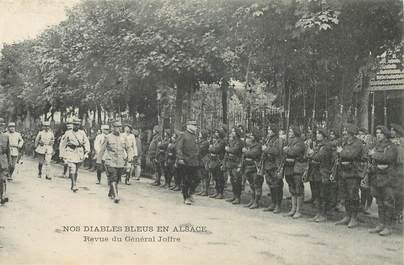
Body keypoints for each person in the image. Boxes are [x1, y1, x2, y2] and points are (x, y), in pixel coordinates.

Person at [368, 125, 398, 236]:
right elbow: (370, 158)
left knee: (388, 202)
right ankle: (381, 224)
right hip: (376, 177)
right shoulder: (376, 145)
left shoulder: (391, 146)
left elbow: (388, 158)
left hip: (387, 178)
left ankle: (388, 226)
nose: (378, 135)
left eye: (380, 133)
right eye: (377, 133)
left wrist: (374, 155)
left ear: (385, 134)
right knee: (380, 202)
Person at [335, 123, 363, 228]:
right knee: (345, 195)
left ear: (351, 133)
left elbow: (351, 155)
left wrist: (341, 151)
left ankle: (354, 218)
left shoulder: (358, 143)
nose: (344, 133)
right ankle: (347, 215)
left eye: (345, 132)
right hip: (344, 172)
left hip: (353, 173)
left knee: (353, 196)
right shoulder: (345, 142)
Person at [98, 121, 129, 203]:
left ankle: (111, 192)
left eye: (119, 127)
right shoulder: (108, 137)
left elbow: (128, 148)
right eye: (116, 127)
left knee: (118, 178)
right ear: (112, 128)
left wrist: (129, 160)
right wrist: (99, 160)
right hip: (110, 160)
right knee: (113, 177)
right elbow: (102, 149)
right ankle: (116, 195)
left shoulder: (124, 137)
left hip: (120, 162)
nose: (118, 129)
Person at [307, 128, 334, 222]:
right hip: (315, 172)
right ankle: (318, 213)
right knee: (316, 194)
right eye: (317, 133)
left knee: (323, 195)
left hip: (323, 172)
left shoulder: (326, 146)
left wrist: (311, 154)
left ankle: (323, 214)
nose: (317, 135)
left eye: (319, 134)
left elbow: (319, 157)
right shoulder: (318, 145)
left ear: (324, 135)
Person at [59, 118, 90, 192]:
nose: (76, 126)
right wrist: (62, 154)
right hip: (70, 151)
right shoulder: (68, 133)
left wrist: (87, 151)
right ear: (72, 125)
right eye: (75, 124)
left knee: (76, 170)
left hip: (79, 152)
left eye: (78, 125)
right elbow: (63, 144)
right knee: (72, 168)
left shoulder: (82, 133)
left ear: (79, 125)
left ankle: (73, 183)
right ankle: (74, 184)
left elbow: (86, 142)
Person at [283, 126, 306, 219]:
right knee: (292, 188)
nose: (289, 132)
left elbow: (294, 152)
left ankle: (298, 210)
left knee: (298, 188)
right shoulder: (289, 141)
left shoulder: (300, 142)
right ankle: (293, 208)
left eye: (291, 131)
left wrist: (286, 149)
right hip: (289, 166)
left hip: (297, 167)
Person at [175, 121, 199, 205]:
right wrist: (180, 158)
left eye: (196, 125)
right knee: (186, 180)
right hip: (185, 161)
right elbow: (178, 148)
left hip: (194, 161)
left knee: (197, 178)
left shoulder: (195, 136)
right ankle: (186, 197)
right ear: (188, 126)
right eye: (194, 125)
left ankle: (191, 193)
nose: (196, 127)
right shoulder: (183, 135)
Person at [262, 124, 283, 213]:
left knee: (277, 185)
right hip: (268, 164)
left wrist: (266, 149)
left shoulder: (278, 140)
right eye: (268, 130)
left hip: (275, 165)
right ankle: (273, 203)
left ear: (274, 131)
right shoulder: (268, 139)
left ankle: (278, 205)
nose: (268, 131)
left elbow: (276, 151)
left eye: (270, 130)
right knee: (271, 185)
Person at [241, 129, 262, 209]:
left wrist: (246, 152)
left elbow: (254, 154)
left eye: (252, 135)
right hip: (248, 166)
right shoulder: (249, 144)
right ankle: (252, 200)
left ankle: (256, 202)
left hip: (255, 167)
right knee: (251, 185)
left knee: (256, 185)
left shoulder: (258, 145)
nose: (250, 137)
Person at [224, 127, 243, 204]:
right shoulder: (232, 141)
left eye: (234, 132)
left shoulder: (239, 142)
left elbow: (235, 150)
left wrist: (228, 149)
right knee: (232, 180)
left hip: (236, 162)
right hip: (231, 163)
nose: (232, 133)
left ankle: (238, 197)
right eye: (232, 131)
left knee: (237, 180)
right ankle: (234, 196)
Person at [208, 128, 226, 199]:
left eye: (217, 132)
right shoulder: (217, 141)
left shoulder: (222, 142)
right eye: (215, 132)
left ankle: (220, 193)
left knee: (219, 177)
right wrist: (212, 148)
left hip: (219, 161)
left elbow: (216, 150)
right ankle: (217, 192)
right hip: (214, 160)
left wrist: (211, 148)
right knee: (215, 177)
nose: (216, 133)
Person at [196, 130, 210, 195]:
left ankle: (205, 190)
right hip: (200, 160)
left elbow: (199, 149)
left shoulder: (205, 142)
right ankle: (202, 190)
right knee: (202, 176)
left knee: (205, 175)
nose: (199, 135)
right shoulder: (201, 142)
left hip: (204, 160)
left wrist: (197, 143)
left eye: (200, 134)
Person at [0, 118, 10, 205]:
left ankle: (3, 196)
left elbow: (8, 151)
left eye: (1, 125)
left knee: (3, 179)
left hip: (2, 161)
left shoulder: (6, 136)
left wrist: (9, 162)